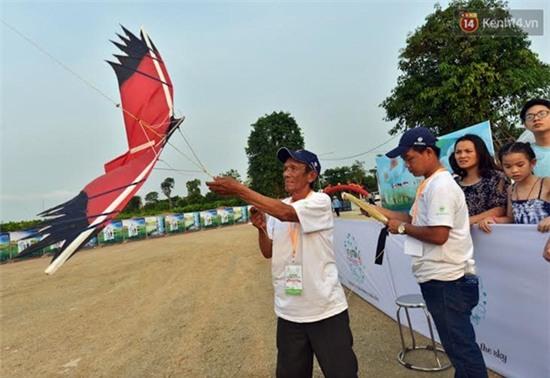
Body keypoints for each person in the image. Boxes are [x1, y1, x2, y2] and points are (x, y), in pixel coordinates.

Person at [206, 148, 358, 378]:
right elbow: (268, 252)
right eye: (285, 168)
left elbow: (287, 214)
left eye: (294, 168)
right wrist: (261, 229)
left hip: (324, 311)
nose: (286, 173)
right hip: (289, 313)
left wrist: (239, 189)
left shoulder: (320, 202)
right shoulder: (279, 207)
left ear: (311, 176)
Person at [362, 127, 488, 378]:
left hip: (447, 281)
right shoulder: (429, 185)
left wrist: (400, 227)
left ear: (428, 152)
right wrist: (380, 213)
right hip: (441, 280)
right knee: (458, 349)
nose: (407, 165)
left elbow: (439, 235)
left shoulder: (440, 186)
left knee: (462, 351)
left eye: (409, 158)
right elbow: (413, 219)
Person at [479, 142, 550, 233]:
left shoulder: (545, 183)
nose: (514, 170)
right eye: (508, 166)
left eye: (520, 165)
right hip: (525, 241)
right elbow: (511, 218)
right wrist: (493, 220)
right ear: (502, 166)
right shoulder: (511, 189)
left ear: (532, 163)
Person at [449, 134, 510, 224]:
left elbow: (500, 209)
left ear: (479, 153)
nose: (462, 156)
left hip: (489, 233)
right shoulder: (453, 183)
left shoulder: (496, 177)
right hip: (460, 235)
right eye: (458, 152)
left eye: (468, 151)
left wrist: (466, 222)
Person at [520, 98, 550, 177]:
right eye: (530, 117)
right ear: (525, 125)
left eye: (542, 114)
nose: (536, 118)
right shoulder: (524, 154)